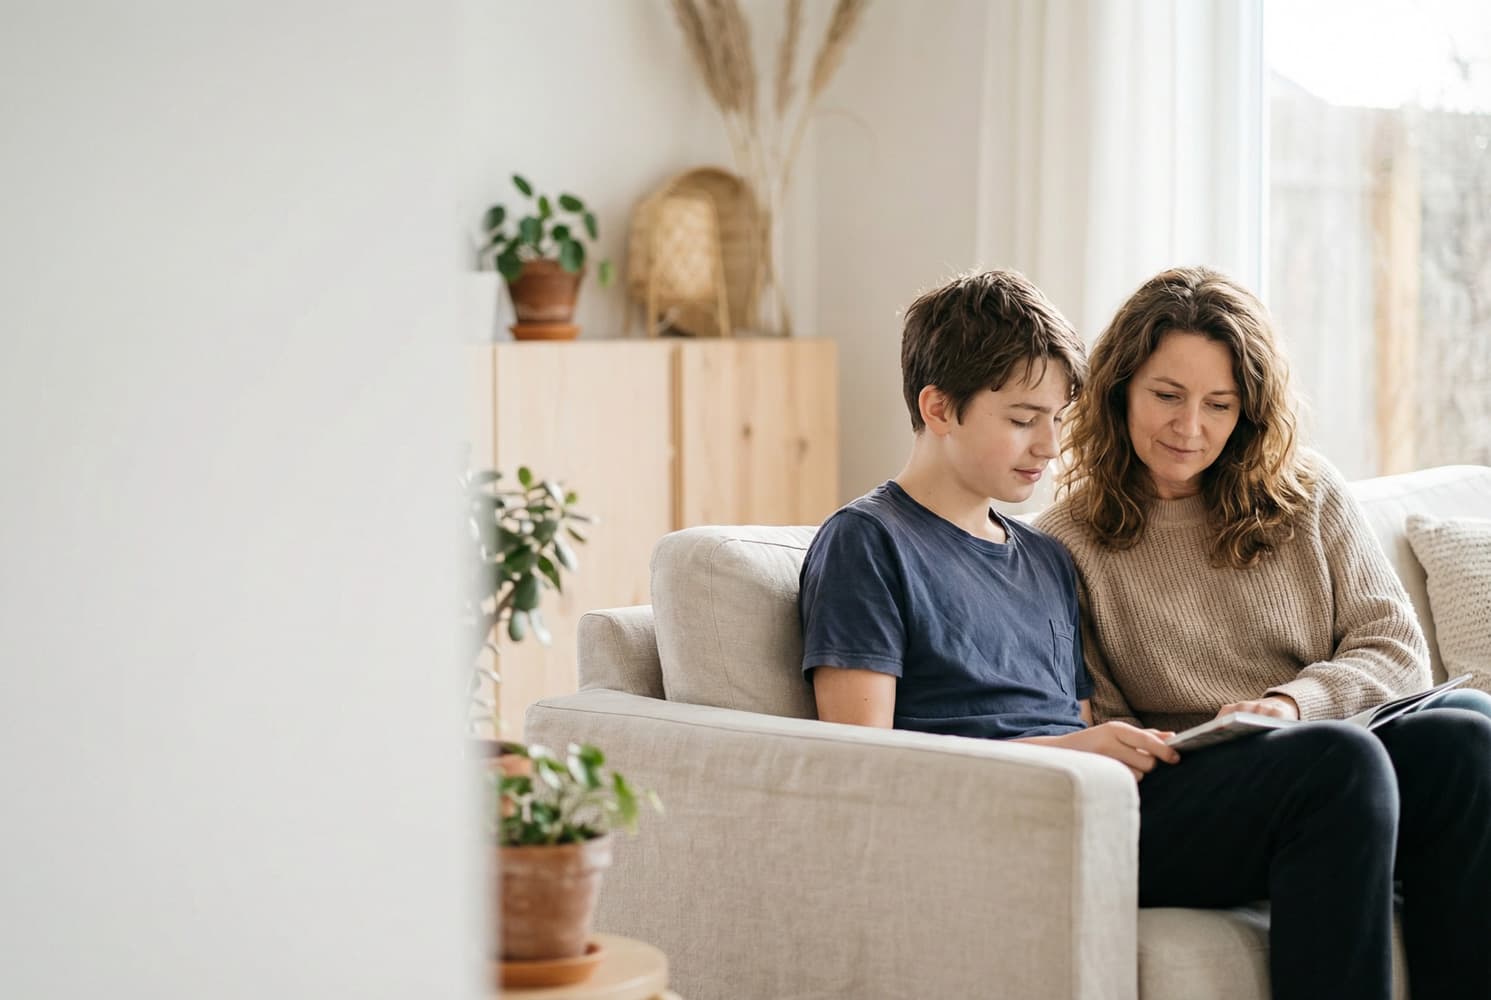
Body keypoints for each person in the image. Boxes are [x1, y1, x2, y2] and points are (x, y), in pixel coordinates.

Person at [1035, 265, 1491, 1000]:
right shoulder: (1066, 542)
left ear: (1247, 409)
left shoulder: (1305, 494)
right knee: (1337, 760)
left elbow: (1395, 649)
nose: (1191, 429)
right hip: (1184, 798)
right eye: (1166, 396)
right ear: (1119, 388)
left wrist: (1287, 706)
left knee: (1467, 734)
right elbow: (1099, 721)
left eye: (1218, 404)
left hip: (1326, 759)